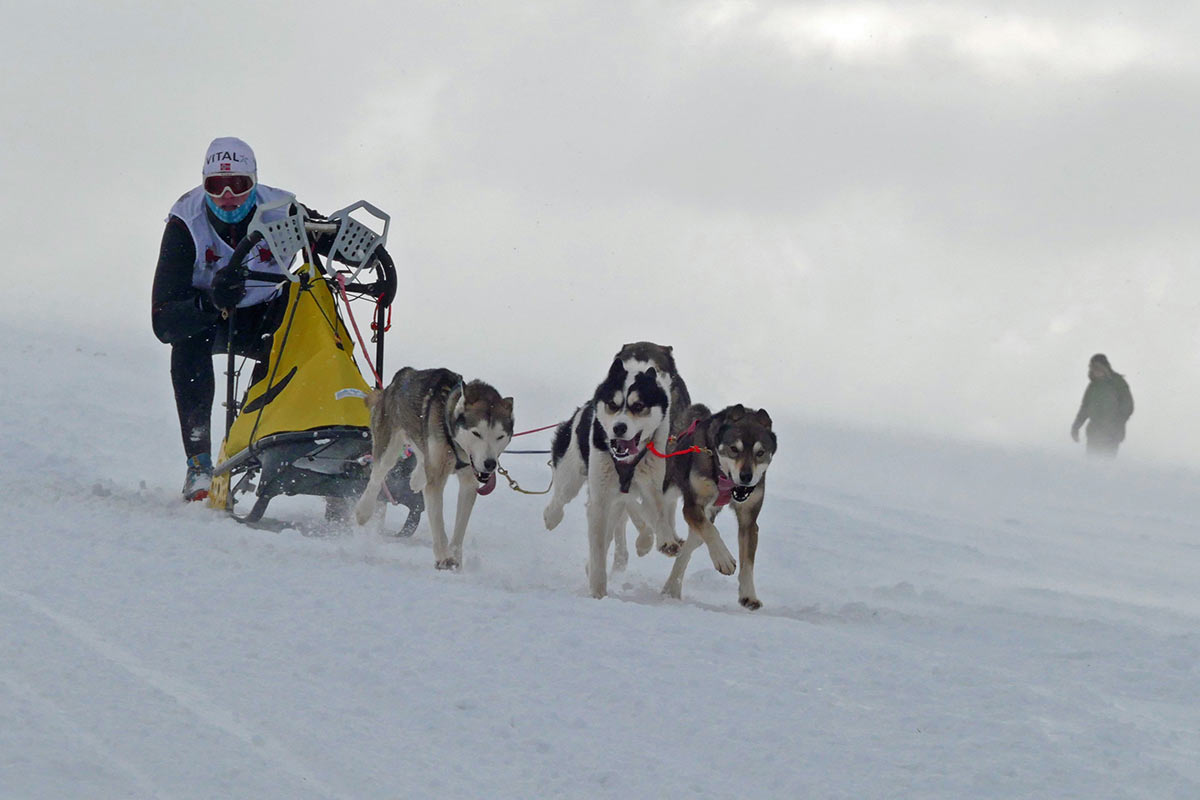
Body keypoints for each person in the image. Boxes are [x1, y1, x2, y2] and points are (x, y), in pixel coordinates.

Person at [152, 137, 327, 500]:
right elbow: (163, 322)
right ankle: (199, 465)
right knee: (187, 339)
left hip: (265, 314)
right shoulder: (186, 221)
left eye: (239, 185)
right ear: (204, 186)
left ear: (255, 182)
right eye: (215, 186)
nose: (227, 196)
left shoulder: (282, 208)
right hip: (213, 316)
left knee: (310, 328)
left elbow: (324, 236)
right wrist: (210, 302)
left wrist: (362, 252)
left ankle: (268, 440)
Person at [1070, 353, 1134, 458]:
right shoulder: (1093, 386)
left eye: (1098, 368)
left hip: (1112, 434)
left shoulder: (1117, 382)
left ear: (1105, 367)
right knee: (1092, 465)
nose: (1096, 371)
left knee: (1107, 464)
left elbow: (1128, 405)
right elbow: (1085, 408)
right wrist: (1076, 427)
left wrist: (1118, 422)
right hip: (1094, 433)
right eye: (1093, 368)